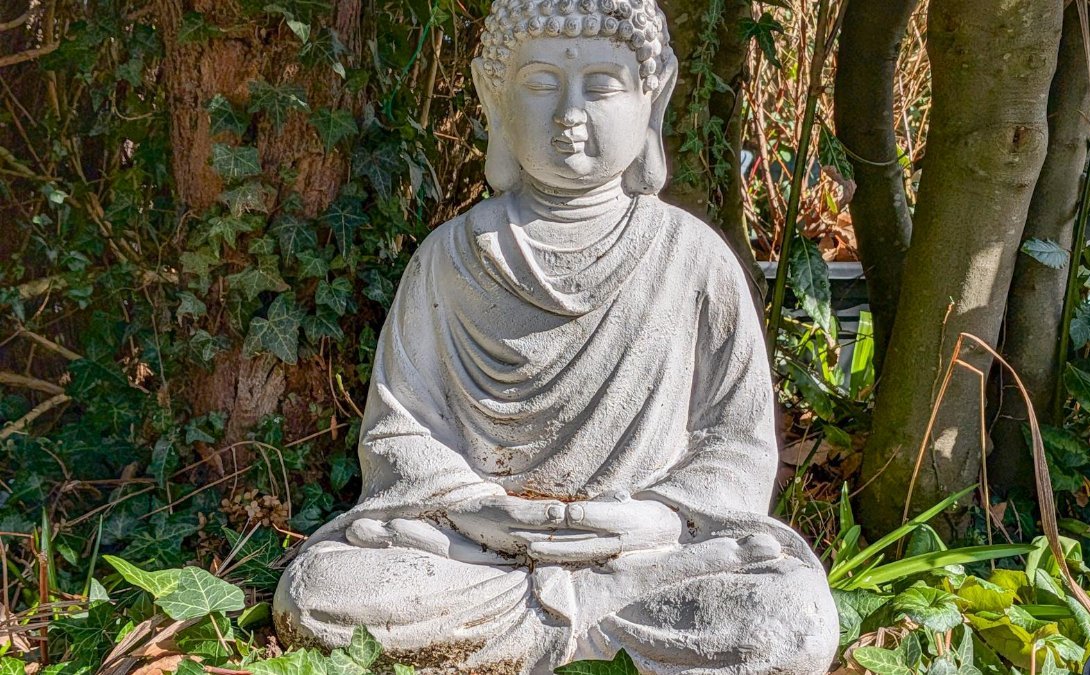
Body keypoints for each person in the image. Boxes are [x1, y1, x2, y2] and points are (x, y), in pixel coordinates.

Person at [273, 0, 838, 670]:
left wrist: (656, 519)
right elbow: (402, 431)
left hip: (643, 554)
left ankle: (537, 636)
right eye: (541, 86)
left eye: (601, 87)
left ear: (653, 96)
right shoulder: (451, 257)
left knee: (791, 612)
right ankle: (593, 636)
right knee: (319, 592)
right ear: (496, 95)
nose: (570, 117)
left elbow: (734, 442)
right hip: (480, 553)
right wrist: (478, 510)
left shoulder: (693, 256)